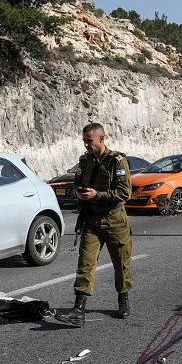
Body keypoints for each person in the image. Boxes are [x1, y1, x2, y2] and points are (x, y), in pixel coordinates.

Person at [55, 123, 133, 327]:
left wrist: (97, 195)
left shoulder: (117, 161)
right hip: (92, 220)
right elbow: (78, 183)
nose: (86, 145)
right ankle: (78, 310)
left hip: (115, 221)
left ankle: (123, 298)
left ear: (102, 139)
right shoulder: (85, 161)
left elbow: (125, 193)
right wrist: (79, 193)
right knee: (85, 264)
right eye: (84, 141)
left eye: (89, 141)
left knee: (121, 263)